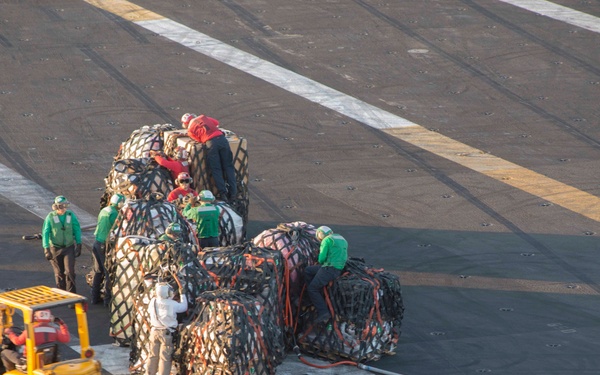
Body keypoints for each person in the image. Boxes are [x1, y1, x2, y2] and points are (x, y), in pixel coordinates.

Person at [185, 114, 237, 202]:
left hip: (211, 143)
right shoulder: (202, 117)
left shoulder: (190, 130)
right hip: (222, 139)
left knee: (216, 169)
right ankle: (233, 193)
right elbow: (216, 122)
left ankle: (223, 193)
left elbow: (199, 140)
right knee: (229, 167)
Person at [303, 226, 348, 324]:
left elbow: (321, 259)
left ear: (320, 234)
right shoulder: (341, 238)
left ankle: (323, 312)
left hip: (329, 268)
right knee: (308, 271)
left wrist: (319, 259)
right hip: (338, 268)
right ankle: (312, 298)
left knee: (312, 288)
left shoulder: (327, 240)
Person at [1, 310, 70, 371]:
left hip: (29, 363)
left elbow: (17, 341)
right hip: (48, 361)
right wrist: (62, 324)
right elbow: (66, 339)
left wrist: (10, 333)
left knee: (4, 353)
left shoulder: (30, 330)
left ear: (35, 317)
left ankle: (12, 371)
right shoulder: (54, 330)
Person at [42, 195, 82, 293]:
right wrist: (46, 248)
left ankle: (71, 295)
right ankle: (61, 294)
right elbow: (45, 233)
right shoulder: (50, 217)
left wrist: (79, 244)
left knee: (69, 272)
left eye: (65, 206)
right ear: (56, 207)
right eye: (60, 206)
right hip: (55, 248)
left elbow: (77, 229)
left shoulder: (70, 215)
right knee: (59, 273)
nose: (63, 209)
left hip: (68, 248)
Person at [146, 283, 188, 375]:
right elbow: (184, 307)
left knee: (152, 356)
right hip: (166, 333)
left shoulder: (153, 301)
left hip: (154, 332)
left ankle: (149, 373)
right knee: (165, 358)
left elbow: (149, 311)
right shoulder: (172, 304)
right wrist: (183, 295)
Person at [91, 193, 125, 305]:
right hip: (104, 245)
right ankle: (107, 300)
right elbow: (118, 229)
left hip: (96, 242)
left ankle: (94, 297)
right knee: (107, 272)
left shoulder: (105, 210)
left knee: (97, 271)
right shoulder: (115, 213)